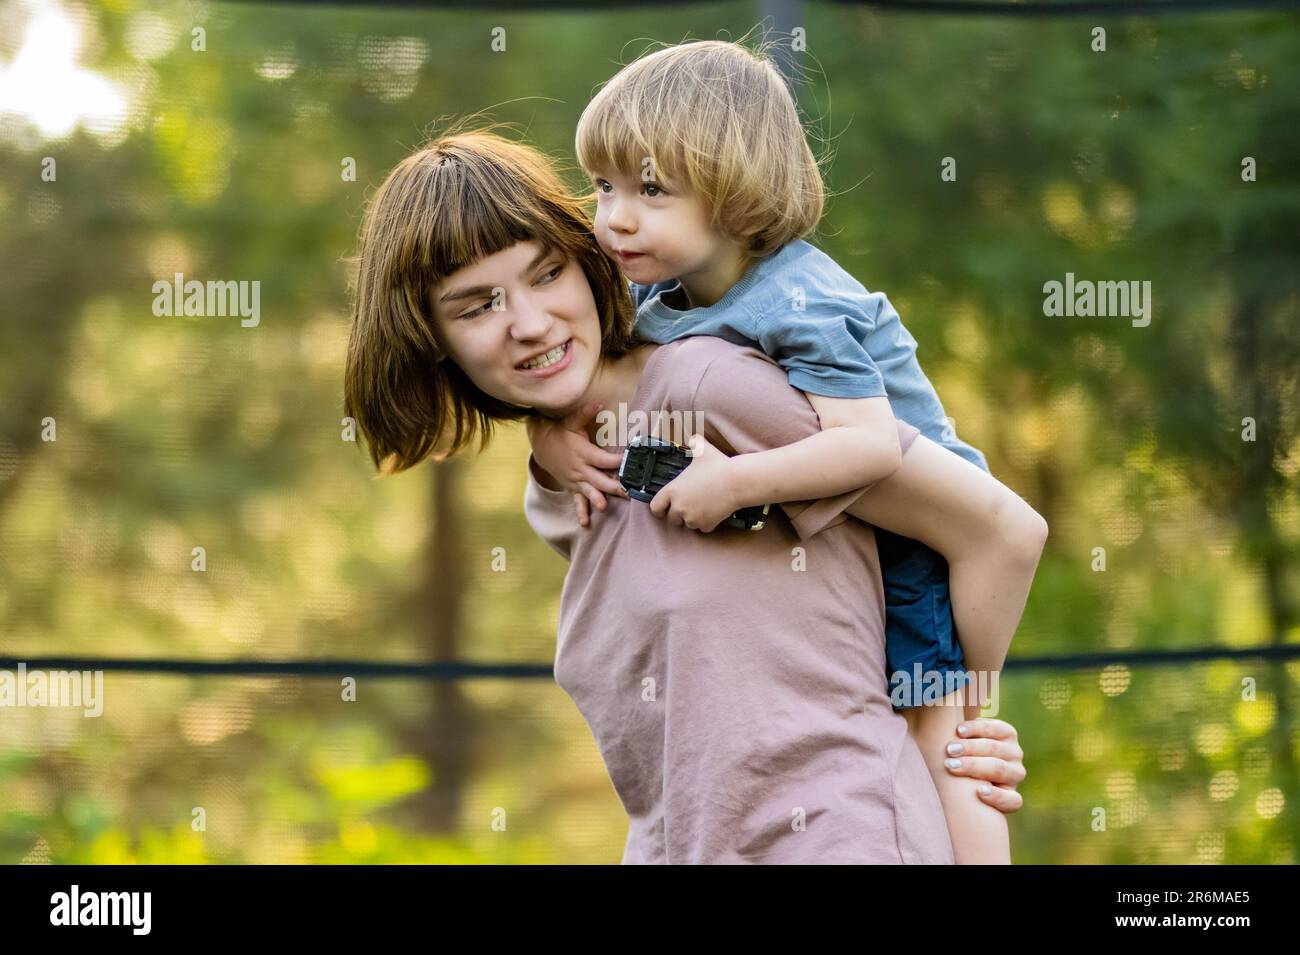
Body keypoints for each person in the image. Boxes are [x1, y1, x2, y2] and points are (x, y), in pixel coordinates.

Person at [343, 128, 1034, 863]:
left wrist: (959, 718)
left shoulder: (713, 384)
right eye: (478, 306)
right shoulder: (569, 475)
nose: (530, 323)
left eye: (546, 274)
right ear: (431, 339)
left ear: (590, 262)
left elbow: (998, 528)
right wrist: (547, 444)